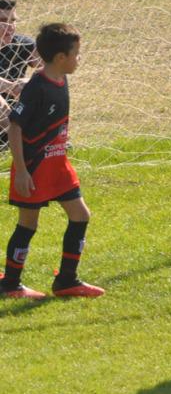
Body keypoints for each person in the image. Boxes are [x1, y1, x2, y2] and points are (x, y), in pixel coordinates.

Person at [2, 23, 102, 300]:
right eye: (76, 54)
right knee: (28, 224)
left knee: (81, 215)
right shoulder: (37, 87)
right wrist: (21, 171)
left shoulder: (59, 77)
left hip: (58, 166)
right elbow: (15, 127)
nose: (78, 59)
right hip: (34, 168)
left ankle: (67, 280)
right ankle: (11, 284)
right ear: (61, 58)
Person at [0, 0, 37, 149]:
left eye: (13, 20)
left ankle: (51, 138)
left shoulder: (23, 45)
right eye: (3, 21)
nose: (10, 27)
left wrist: (32, 82)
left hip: (15, 118)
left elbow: (52, 69)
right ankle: (24, 146)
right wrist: (10, 87)